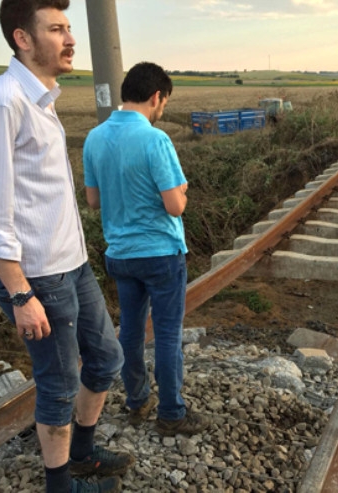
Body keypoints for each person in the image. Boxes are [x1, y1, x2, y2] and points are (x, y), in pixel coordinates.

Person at [0, 1, 132, 492]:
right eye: (57, 28)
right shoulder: (3, 101)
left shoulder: (41, 97)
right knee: (58, 388)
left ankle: (81, 454)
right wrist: (20, 294)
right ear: (23, 38)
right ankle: (61, 485)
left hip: (72, 267)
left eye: (69, 27)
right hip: (38, 277)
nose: (70, 39)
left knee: (106, 359)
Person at [83, 62, 211, 437]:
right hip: (159, 253)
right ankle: (172, 413)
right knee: (168, 335)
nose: (162, 109)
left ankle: (137, 400)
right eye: (164, 102)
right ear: (157, 96)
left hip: (120, 255)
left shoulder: (94, 137)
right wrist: (181, 192)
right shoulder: (156, 140)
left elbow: (93, 201)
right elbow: (175, 206)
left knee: (131, 331)